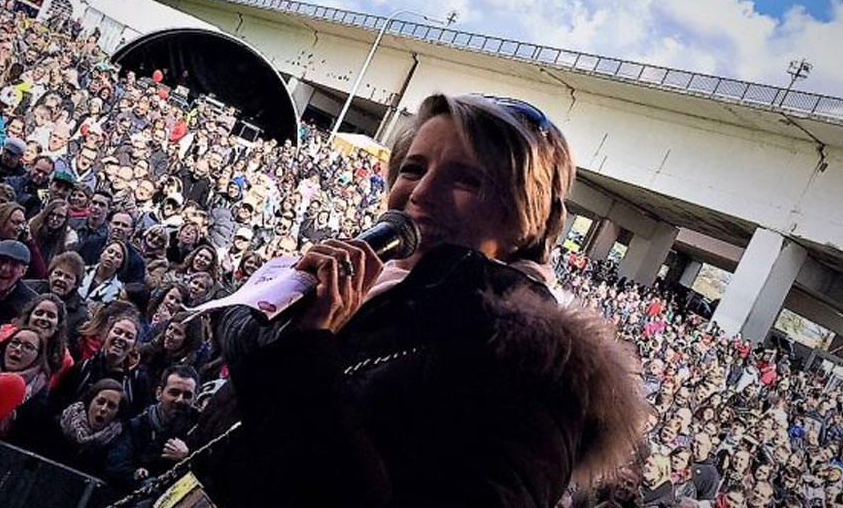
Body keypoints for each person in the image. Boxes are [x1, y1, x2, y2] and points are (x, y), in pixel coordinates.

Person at [196, 94, 647, 507]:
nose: (420, 193)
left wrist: (309, 351)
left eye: (466, 180)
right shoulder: (378, 295)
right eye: (412, 169)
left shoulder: (539, 368)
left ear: (525, 218)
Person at [104, 365, 200, 489]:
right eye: (174, 393)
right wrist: (139, 478)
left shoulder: (198, 430)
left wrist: (187, 458)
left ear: (195, 398)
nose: (180, 400)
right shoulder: (136, 425)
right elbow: (115, 464)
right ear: (159, 393)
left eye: (187, 395)